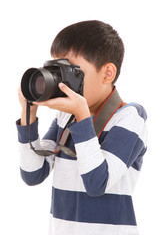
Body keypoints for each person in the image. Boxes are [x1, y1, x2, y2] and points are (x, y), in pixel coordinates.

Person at [16, 20, 147, 235]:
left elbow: (97, 183)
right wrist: (28, 116)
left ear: (107, 74)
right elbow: (32, 174)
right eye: (56, 70)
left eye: (71, 71)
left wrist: (82, 115)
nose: (60, 82)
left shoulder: (130, 118)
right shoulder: (66, 117)